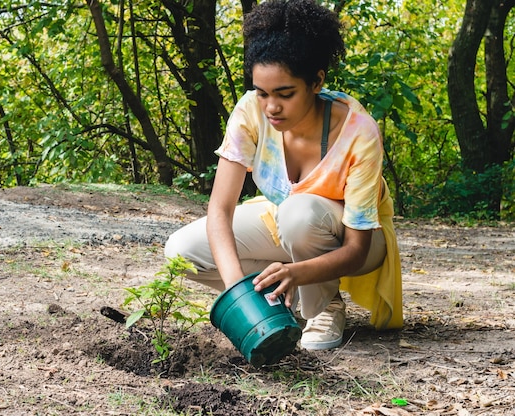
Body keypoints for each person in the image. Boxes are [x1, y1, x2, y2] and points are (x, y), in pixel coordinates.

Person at [165, 0, 403, 351]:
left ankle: (323, 306)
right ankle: (280, 299)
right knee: (181, 251)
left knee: (300, 213)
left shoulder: (358, 131)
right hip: (284, 223)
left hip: (360, 242)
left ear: (317, 81)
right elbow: (220, 211)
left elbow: (356, 249)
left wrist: (298, 273)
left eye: (285, 94)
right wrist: (241, 297)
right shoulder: (251, 111)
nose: (271, 106)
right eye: (262, 93)